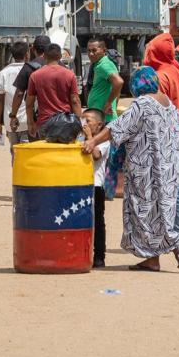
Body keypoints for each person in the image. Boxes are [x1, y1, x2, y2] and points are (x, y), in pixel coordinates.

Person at [83, 67, 179, 272]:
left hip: (146, 169)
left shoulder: (143, 103)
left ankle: (172, 243)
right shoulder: (169, 104)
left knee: (143, 213)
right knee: (158, 213)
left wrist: (93, 140)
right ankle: (153, 258)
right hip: (167, 169)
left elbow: (116, 128)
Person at [144, 32, 179, 224]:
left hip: (167, 132)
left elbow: (156, 108)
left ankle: (178, 228)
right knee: (176, 178)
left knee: (172, 181)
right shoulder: (175, 70)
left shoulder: (160, 76)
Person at [26, 43, 82, 136]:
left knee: (47, 151)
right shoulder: (69, 74)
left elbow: (29, 104)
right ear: (60, 56)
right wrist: (79, 122)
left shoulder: (35, 75)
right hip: (66, 123)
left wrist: (31, 123)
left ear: (44, 56)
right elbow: (75, 100)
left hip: (45, 123)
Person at [82, 108, 111, 268]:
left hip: (95, 187)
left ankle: (99, 256)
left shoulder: (104, 141)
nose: (84, 124)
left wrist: (89, 137)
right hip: (80, 186)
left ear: (99, 125)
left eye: (88, 121)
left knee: (98, 223)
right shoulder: (80, 138)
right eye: (82, 120)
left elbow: (96, 155)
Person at [0, 41, 31, 158]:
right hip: (28, 121)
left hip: (10, 123)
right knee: (28, 154)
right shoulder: (31, 71)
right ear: (27, 54)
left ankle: (17, 175)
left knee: (15, 153)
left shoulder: (3, 73)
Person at [8, 34, 51, 135]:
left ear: (33, 49)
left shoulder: (29, 67)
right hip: (60, 117)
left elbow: (19, 93)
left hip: (39, 119)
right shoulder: (61, 67)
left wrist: (13, 115)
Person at [86, 38, 124, 121]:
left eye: (94, 50)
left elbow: (119, 82)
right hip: (101, 117)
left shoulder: (104, 65)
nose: (91, 54)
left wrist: (108, 103)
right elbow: (116, 88)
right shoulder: (100, 63)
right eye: (88, 51)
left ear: (104, 50)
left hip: (104, 119)